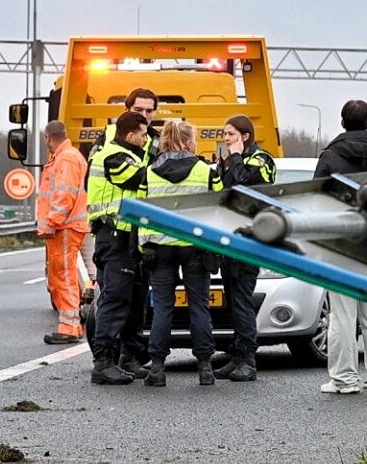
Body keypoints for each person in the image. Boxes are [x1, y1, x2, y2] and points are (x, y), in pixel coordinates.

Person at [314, 99, 367, 394]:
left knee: (342, 314)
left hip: (341, 243)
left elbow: (317, 199)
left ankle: (345, 379)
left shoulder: (330, 157)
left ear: (342, 123)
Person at [86, 87, 161, 379]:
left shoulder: (133, 149)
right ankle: (104, 362)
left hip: (135, 236)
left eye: (149, 111)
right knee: (116, 298)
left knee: (136, 300)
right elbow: (144, 179)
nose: (146, 137)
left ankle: (129, 357)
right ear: (131, 133)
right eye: (142, 133)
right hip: (115, 234)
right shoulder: (114, 155)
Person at [140, 119, 221, 387]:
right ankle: (206, 368)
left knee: (162, 308)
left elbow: (143, 213)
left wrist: (145, 245)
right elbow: (218, 208)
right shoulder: (206, 171)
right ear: (189, 142)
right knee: (199, 305)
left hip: (160, 247)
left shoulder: (149, 172)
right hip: (194, 246)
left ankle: (157, 369)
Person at [212, 114, 277, 380]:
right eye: (225, 134)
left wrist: (235, 158)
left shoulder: (261, 159)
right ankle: (237, 354)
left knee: (241, 300)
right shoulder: (230, 161)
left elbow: (242, 183)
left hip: (249, 239)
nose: (225, 139)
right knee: (232, 299)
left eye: (230, 134)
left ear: (245, 136)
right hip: (230, 237)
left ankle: (248, 359)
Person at [34, 120, 88, 345]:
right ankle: (71, 326)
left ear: (48, 137)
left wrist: (51, 222)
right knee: (61, 278)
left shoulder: (66, 159)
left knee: (63, 278)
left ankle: (69, 328)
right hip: (66, 226)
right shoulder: (66, 156)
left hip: (64, 227)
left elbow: (63, 195)